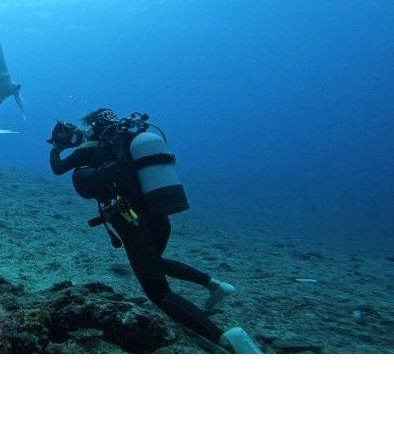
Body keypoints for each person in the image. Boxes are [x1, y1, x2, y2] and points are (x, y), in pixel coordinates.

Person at [48, 108, 262, 353]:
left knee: (159, 293)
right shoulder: (128, 144)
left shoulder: (90, 149)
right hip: (158, 214)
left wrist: (56, 147)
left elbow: (58, 168)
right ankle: (215, 285)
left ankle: (227, 339)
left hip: (131, 222)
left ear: (93, 126)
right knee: (153, 262)